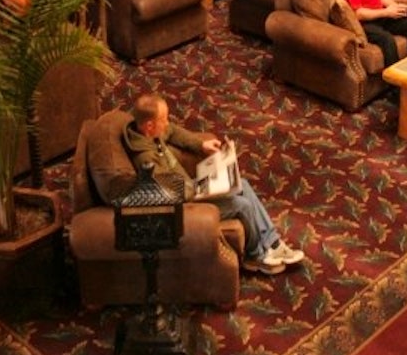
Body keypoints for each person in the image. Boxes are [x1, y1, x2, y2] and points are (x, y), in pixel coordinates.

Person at [121, 93, 305, 276]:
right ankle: (256, 255)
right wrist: (205, 189)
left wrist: (201, 145)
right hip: (185, 205)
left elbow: (173, 131)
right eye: (164, 119)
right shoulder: (146, 159)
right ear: (150, 125)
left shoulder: (149, 132)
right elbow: (174, 192)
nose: (167, 123)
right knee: (242, 205)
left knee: (242, 184)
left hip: (190, 188)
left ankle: (273, 243)